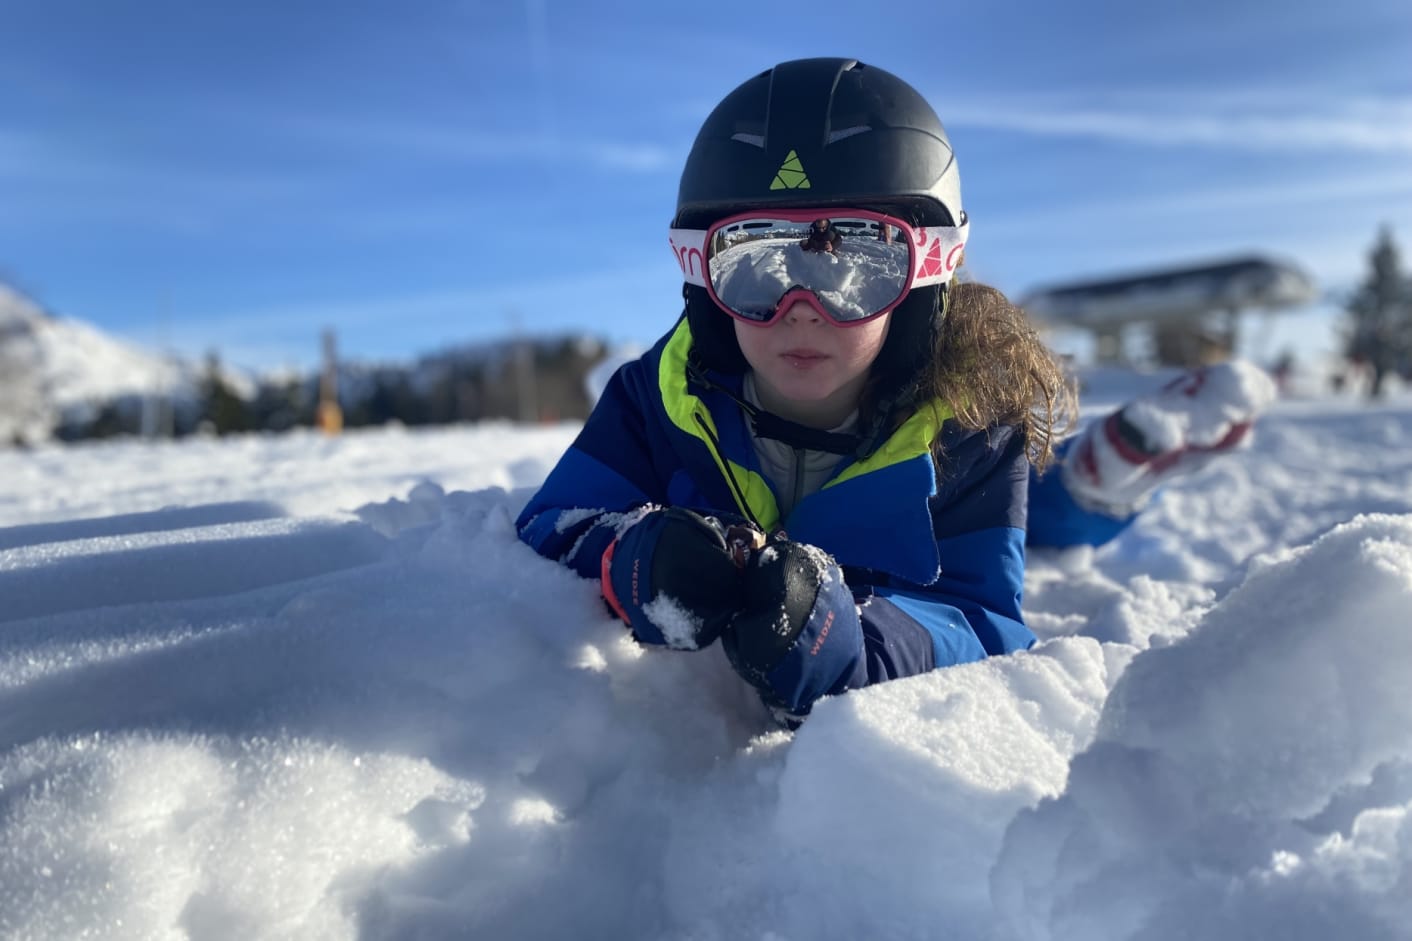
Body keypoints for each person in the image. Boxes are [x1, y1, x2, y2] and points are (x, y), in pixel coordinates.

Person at [516, 58, 1272, 726]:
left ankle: (1096, 474)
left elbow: (983, 620)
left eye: (853, 268)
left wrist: (858, 647)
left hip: (939, 480)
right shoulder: (657, 400)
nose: (801, 306)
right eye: (757, 268)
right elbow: (553, 522)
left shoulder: (972, 426)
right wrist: (630, 556)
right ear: (705, 284)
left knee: (1037, 509)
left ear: (921, 280)